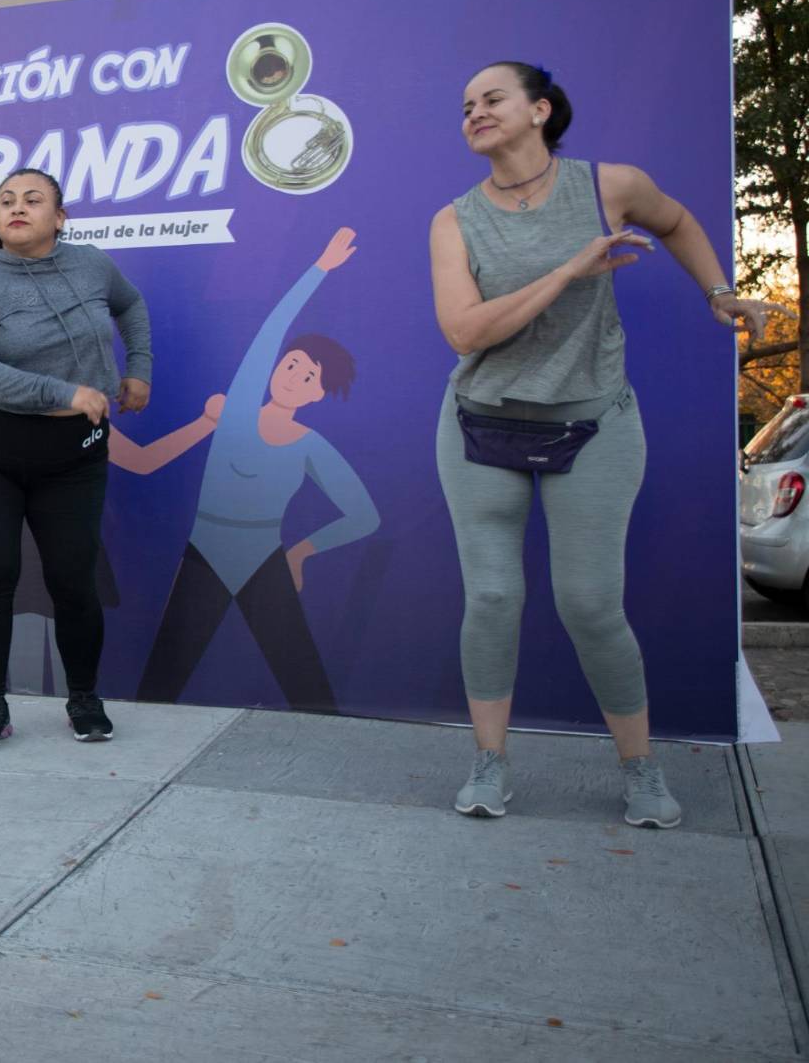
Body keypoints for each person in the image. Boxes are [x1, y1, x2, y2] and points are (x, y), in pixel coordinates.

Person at [428, 61, 780, 828]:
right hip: (480, 425)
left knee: (590, 602)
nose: (475, 113)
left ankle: (642, 770)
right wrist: (568, 268)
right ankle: (490, 762)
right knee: (492, 597)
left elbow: (678, 220)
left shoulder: (608, 186)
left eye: (493, 99)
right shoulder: (454, 220)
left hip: (593, 424)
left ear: (540, 110)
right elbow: (465, 331)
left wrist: (718, 289)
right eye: (466, 107)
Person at [0, 168, 151, 751]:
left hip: (73, 459)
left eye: (33, 200)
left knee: (72, 580)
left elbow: (130, 307)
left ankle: (83, 699)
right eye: (6, 200)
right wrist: (67, 393)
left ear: (59, 217)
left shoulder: (92, 264)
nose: (17, 208)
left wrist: (139, 371)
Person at [136, 228, 379, 713]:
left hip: (264, 562)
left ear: (316, 394)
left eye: (310, 376)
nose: (295, 376)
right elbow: (273, 328)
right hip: (204, 557)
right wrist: (320, 268)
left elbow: (364, 516)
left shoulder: (311, 445)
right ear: (274, 367)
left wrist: (303, 551)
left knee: (308, 689)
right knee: (160, 684)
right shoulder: (237, 411)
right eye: (292, 364)